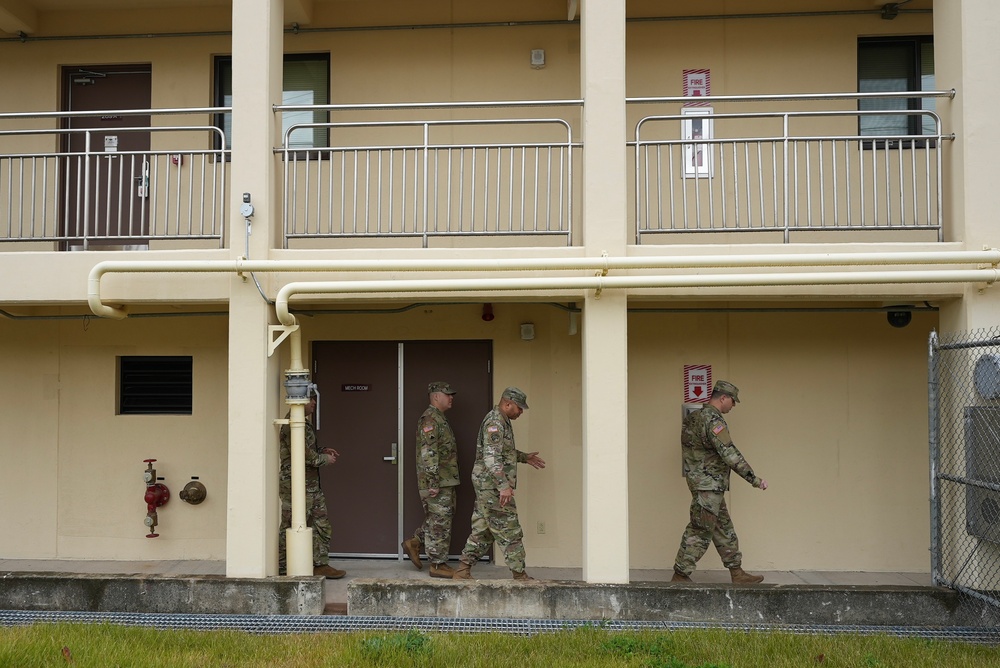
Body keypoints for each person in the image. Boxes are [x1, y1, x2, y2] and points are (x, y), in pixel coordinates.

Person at [671, 380, 767, 584]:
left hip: (703, 483)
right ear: (723, 398)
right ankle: (680, 574)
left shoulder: (693, 418)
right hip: (709, 486)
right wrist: (753, 479)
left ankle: (737, 572)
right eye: (733, 401)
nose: (733, 405)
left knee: (723, 527)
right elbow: (729, 453)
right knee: (699, 530)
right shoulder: (714, 421)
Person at [453, 386, 546, 581]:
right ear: (507, 403)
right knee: (509, 529)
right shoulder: (495, 422)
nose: (521, 412)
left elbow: (503, 451)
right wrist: (503, 486)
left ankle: (462, 570)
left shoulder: (501, 421)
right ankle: (520, 575)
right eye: (519, 408)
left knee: (483, 529)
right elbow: (491, 457)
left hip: (488, 485)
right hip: (493, 487)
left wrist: (524, 457)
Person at [278, 392, 346, 579]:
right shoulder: (293, 423)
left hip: (309, 484)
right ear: (301, 402)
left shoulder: (302, 422)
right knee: (290, 525)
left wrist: (321, 450)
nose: (314, 402)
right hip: (295, 484)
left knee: (320, 523)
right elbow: (303, 455)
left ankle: (320, 564)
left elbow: (306, 449)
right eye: (311, 399)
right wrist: (324, 458)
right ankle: (283, 567)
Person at [401, 381, 460, 578]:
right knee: (439, 522)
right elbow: (429, 453)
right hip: (438, 481)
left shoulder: (439, 418)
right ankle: (437, 564)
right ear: (436, 396)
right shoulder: (430, 419)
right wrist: (433, 482)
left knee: (440, 518)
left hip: (445, 479)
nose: (451, 398)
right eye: (447, 394)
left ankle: (415, 542)